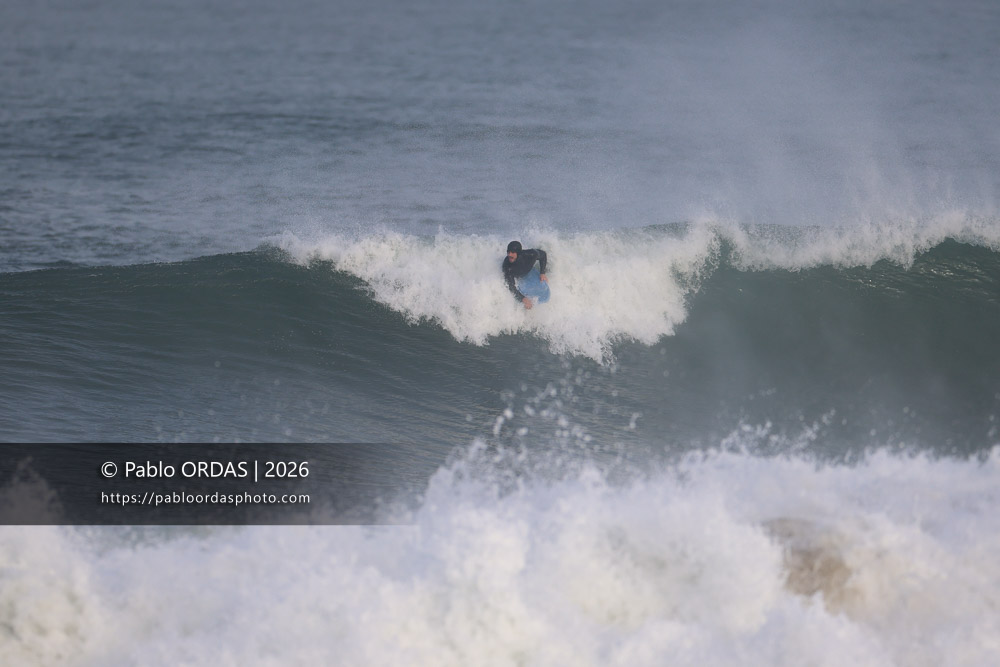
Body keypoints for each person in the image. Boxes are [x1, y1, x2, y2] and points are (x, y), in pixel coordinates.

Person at [502, 241, 547, 309]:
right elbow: (511, 286)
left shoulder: (531, 254)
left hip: (529, 270)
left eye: (512, 252)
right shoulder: (507, 265)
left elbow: (543, 255)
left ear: (518, 253)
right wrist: (523, 298)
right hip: (516, 275)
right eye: (508, 252)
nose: (509, 255)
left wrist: (542, 273)